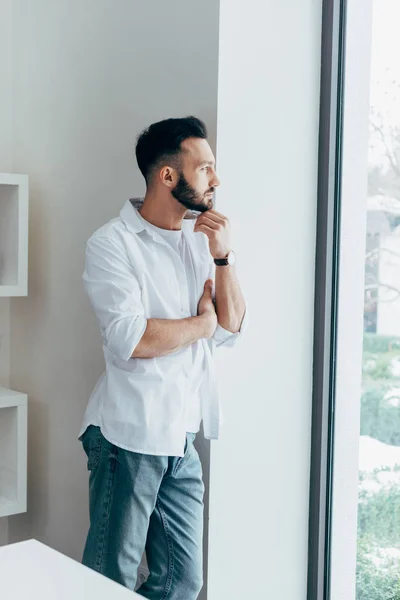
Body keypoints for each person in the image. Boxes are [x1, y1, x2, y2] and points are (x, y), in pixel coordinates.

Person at [79, 116, 247, 599]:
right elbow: (131, 338)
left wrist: (223, 258)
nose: (216, 180)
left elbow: (232, 326)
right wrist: (200, 326)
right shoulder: (112, 243)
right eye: (206, 168)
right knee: (109, 580)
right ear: (168, 176)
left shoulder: (204, 241)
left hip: (181, 438)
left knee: (182, 581)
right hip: (126, 436)